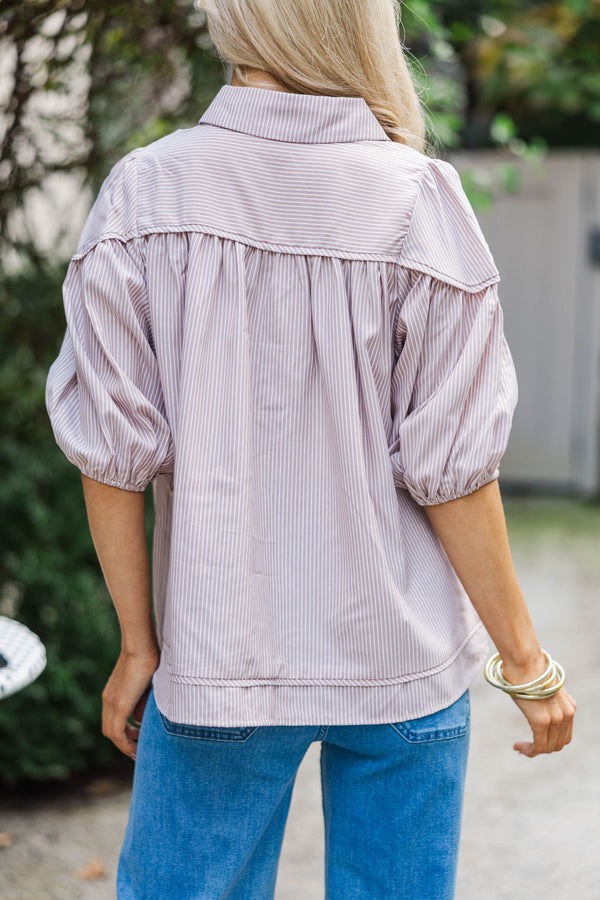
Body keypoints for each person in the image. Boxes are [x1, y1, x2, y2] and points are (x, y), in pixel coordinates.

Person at [44, 1, 576, 897]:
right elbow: (452, 470)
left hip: (219, 656)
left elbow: (111, 453)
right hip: (402, 661)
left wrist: (140, 643)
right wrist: (526, 663)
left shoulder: (146, 192)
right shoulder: (419, 199)